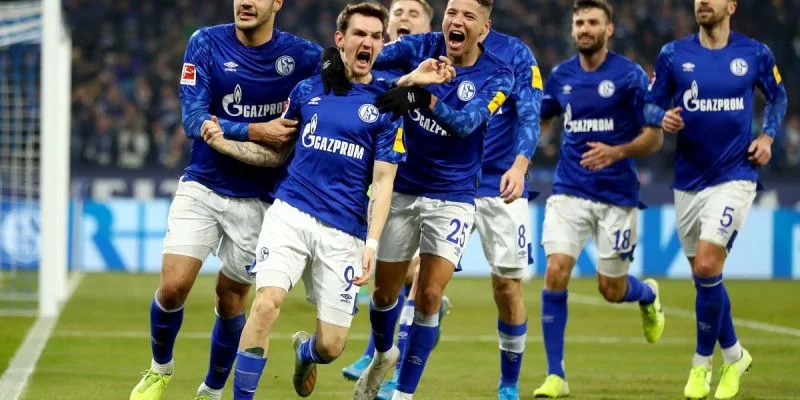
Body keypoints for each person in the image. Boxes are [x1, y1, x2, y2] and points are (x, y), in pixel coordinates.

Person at [227, 2, 454, 399]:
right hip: (291, 213)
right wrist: (228, 137)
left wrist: (371, 244)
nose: (368, 42)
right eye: (359, 34)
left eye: (375, 36)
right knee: (265, 305)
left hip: (345, 230)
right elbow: (279, 148)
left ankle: (306, 352)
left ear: (381, 45)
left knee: (331, 347)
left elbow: (383, 182)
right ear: (340, 40)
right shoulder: (307, 90)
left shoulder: (387, 105)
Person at [130, 0, 321, 399]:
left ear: (277, 3)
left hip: (261, 200)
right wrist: (257, 130)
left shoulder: (303, 56)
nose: (245, 2)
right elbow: (192, 118)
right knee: (173, 286)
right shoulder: (206, 43)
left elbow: (349, 77)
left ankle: (212, 390)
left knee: (232, 298)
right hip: (203, 184)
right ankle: (159, 369)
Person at [351, 0, 514, 398]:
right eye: (451, 12)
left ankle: (403, 393)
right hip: (403, 187)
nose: (456, 21)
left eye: (468, 16)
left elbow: (467, 123)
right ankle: (383, 355)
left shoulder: (499, 74)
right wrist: (407, 81)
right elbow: (362, 63)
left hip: (453, 195)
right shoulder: (419, 47)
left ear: (484, 28)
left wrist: (423, 99)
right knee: (384, 294)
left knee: (428, 295)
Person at [648, 0, 787, 398]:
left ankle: (700, 365)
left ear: (731, 6)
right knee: (704, 278)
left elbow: (777, 96)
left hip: (735, 176)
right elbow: (648, 103)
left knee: (708, 264)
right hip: (688, 181)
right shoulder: (673, 54)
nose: (703, 2)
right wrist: (661, 118)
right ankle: (736, 356)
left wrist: (767, 136)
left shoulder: (755, 54)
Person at [532, 0, 665, 397]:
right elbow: (544, 115)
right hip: (569, 191)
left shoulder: (629, 76)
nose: (585, 29)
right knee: (555, 270)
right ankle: (555, 375)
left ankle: (648, 294)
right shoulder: (561, 75)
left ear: (609, 30)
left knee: (611, 290)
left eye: (593, 22)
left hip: (616, 196)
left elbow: (655, 137)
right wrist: (528, 140)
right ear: (572, 29)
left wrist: (617, 152)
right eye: (579, 22)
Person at [340, 0, 440, 384]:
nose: (403, 18)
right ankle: (379, 353)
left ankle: (387, 368)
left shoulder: (440, 71)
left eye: (414, 14)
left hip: (428, 189)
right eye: (397, 12)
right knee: (383, 283)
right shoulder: (375, 68)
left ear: (428, 29)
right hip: (386, 186)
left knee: (417, 276)